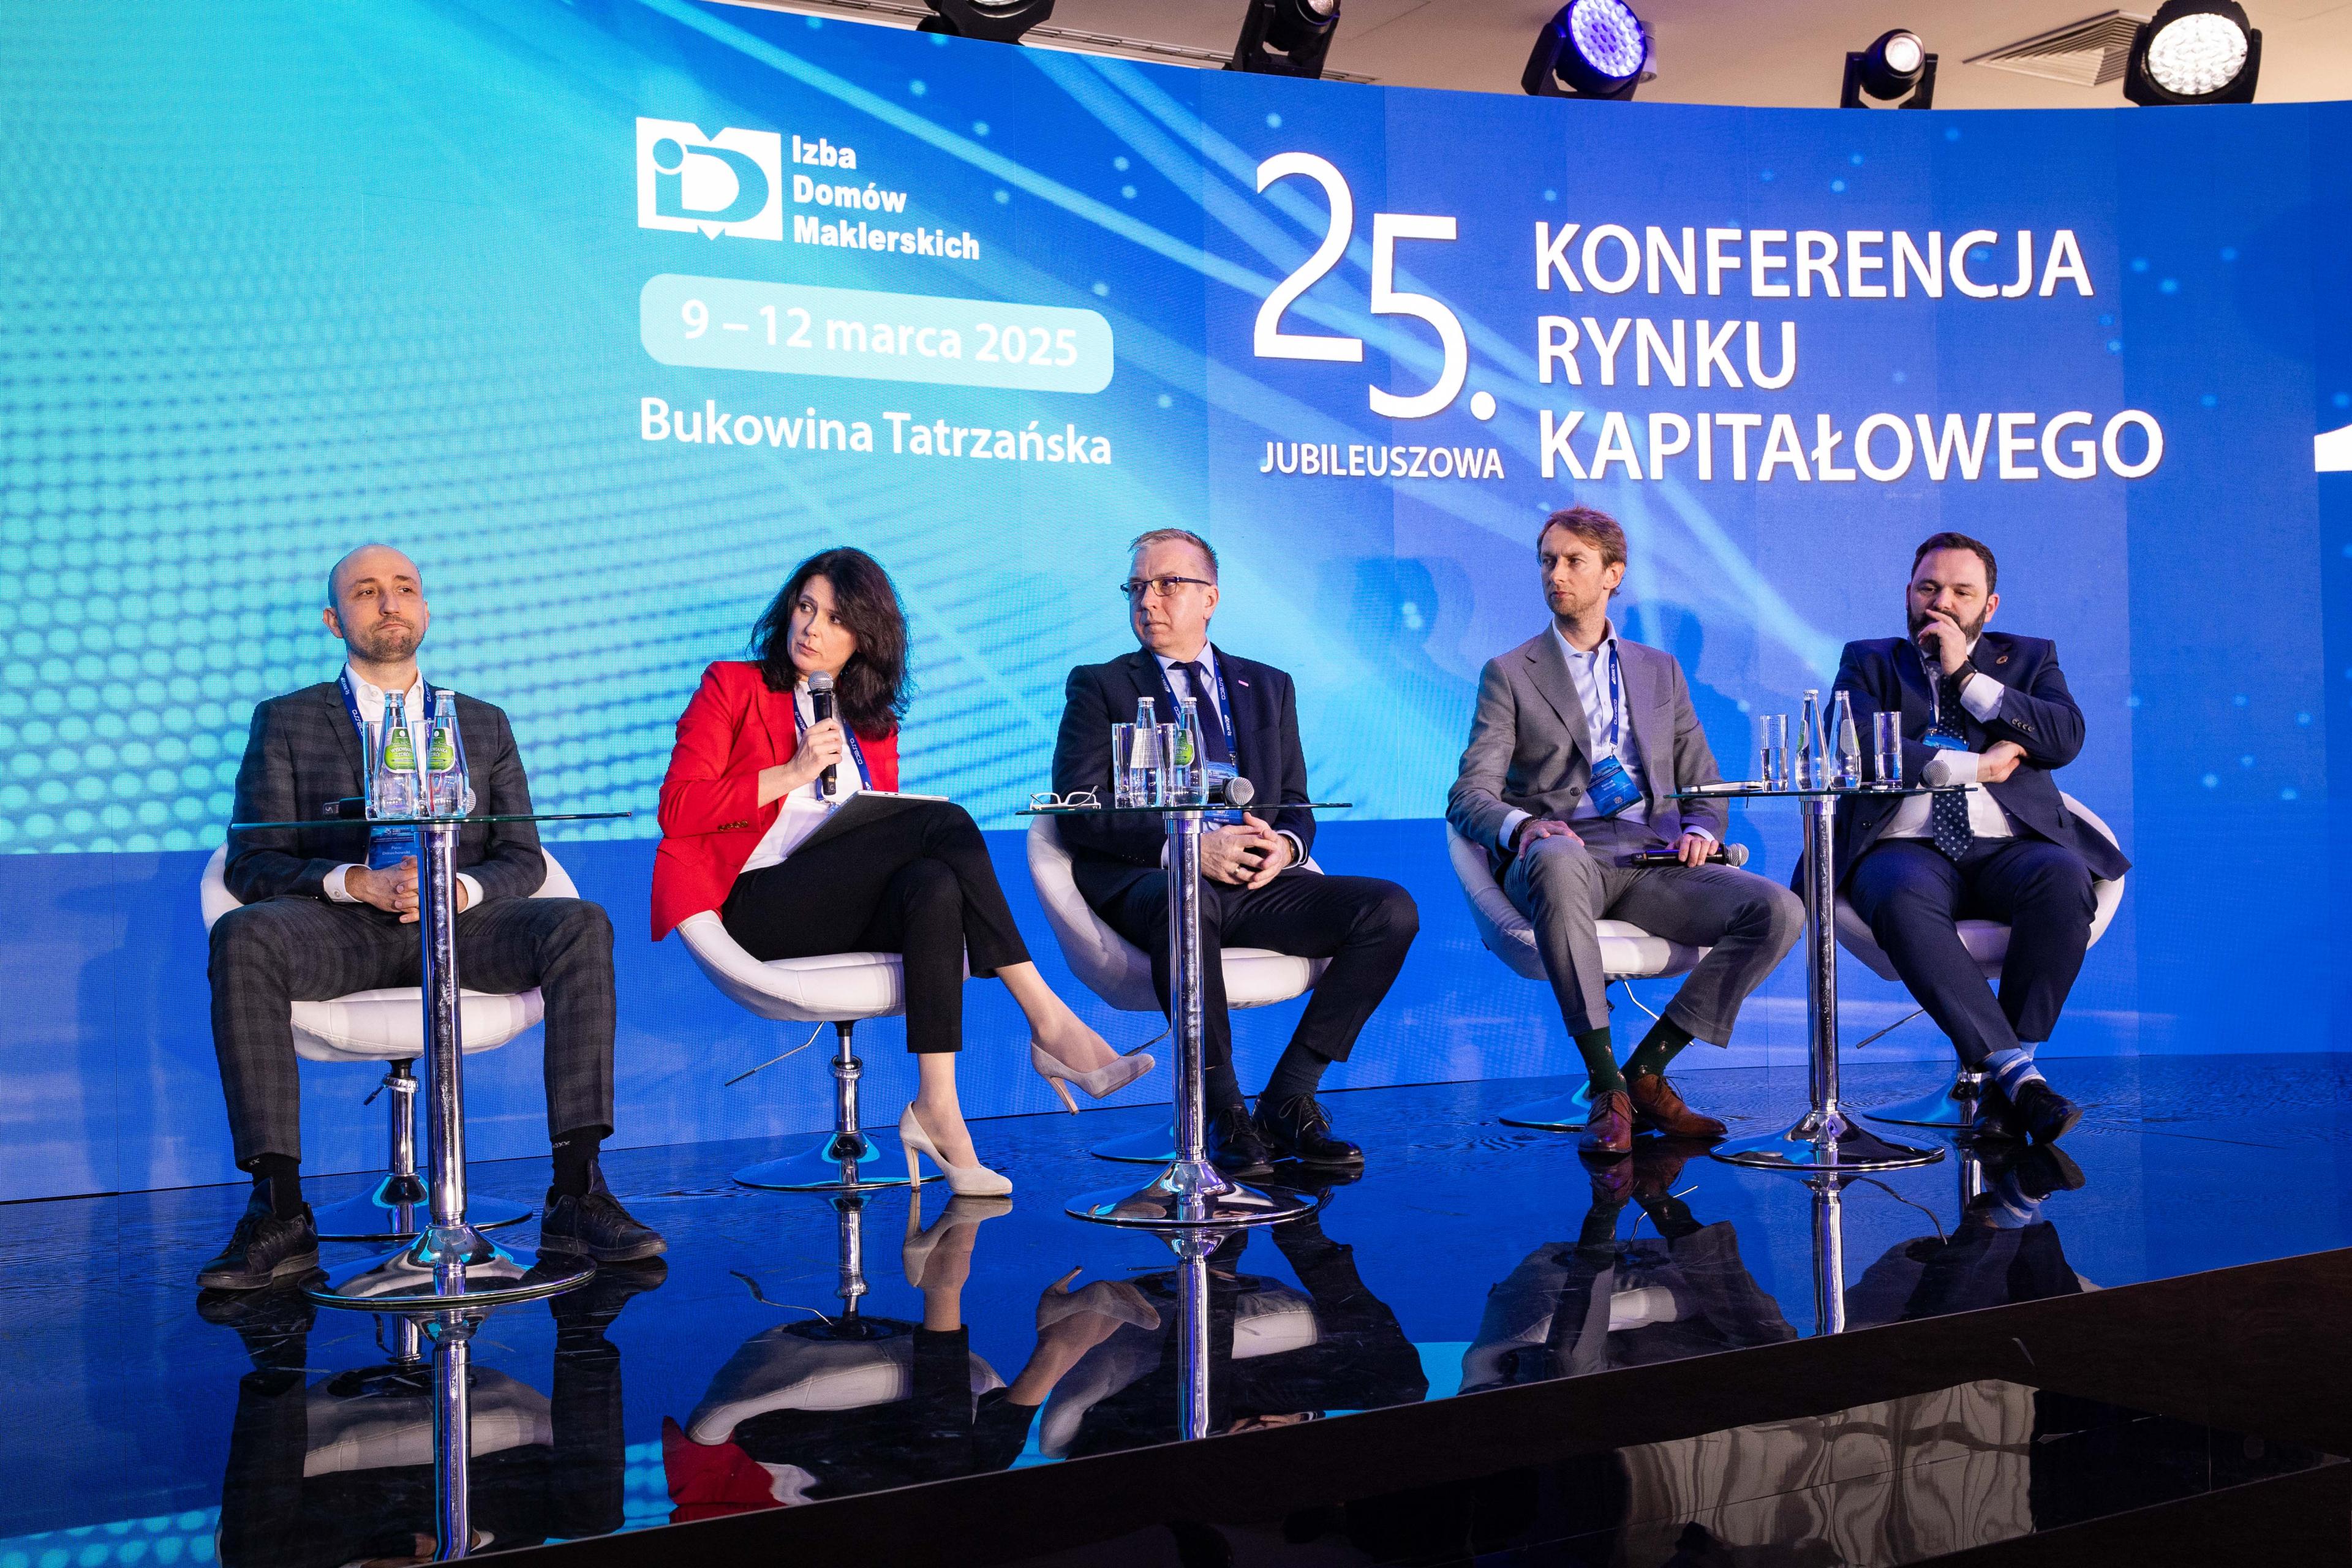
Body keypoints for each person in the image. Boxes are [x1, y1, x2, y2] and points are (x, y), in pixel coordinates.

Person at [204, 545, 663, 1290]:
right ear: (334, 621)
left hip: (465, 926)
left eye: (404, 588)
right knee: (242, 933)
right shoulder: (285, 721)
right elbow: (252, 862)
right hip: (344, 929)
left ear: (427, 610)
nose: (389, 603)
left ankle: (579, 1193)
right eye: (366, 592)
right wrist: (354, 882)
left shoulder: (481, 722)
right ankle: (279, 1211)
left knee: (580, 922)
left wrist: (458, 890)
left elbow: (522, 857)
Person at [652, 546, 1147, 1195]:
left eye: (835, 619)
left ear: (865, 638)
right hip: (755, 904)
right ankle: (1051, 1021)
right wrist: (792, 772)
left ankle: (938, 1106)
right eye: (806, 607)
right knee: (946, 824)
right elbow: (678, 808)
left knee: (933, 882)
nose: (812, 628)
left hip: (836, 903)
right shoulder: (733, 685)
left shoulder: (873, 723)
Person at [1050, 529, 1421, 1176]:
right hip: (1152, 878)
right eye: (1136, 587)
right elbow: (1079, 805)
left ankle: (1290, 1097)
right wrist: (1188, 849)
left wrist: (1285, 846)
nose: (1147, 600)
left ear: (1210, 598)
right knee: (1187, 903)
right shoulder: (1101, 685)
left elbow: (1294, 801)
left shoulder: (1267, 685)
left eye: (1167, 584)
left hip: (1252, 879)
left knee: (1389, 910)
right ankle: (1220, 1110)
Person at [1449, 508, 1804, 1157]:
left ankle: (1647, 1070)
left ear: (1613, 574)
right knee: (1558, 858)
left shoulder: (1658, 669)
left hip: (1650, 858)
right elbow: (1469, 794)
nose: (1556, 574)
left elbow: (1702, 781)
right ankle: (1606, 1086)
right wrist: (1526, 827)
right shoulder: (1511, 672)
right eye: (1547, 561)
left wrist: (1701, 827)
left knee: (1778, 910)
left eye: (1573, 561)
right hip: (1564, 855)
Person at [1827, 532, 2130, 1144]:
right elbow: (1857, 747)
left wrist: (1965, 676)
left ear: (1989, 606)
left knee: (2063, 879)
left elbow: (2063, 739)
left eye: (1961, 592)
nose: (1941, 602)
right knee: (1898, 896)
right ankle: (2022, 1080)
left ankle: (2006, 1079)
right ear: (1908, 594)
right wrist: (1976, 767)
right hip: (1905, 847)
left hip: (2009, 848)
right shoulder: (1869, 660)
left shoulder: (2031, 658)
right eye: (1928, 588)